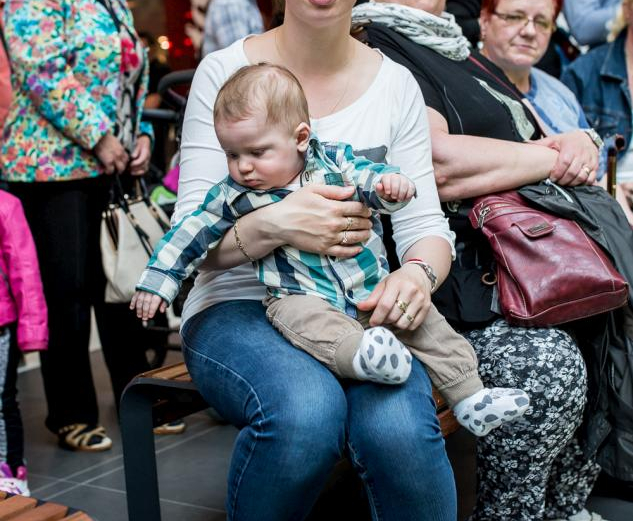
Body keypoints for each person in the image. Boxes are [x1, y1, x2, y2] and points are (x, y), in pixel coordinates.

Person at [134, 62, 530, 437]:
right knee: (307, 323)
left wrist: (390, 186)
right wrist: (158, 283)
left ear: (301, 137)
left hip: (368, 288)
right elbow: (188, 233)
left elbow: (371, 180)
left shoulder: (334, 161)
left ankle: (471, 397)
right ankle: (362, 356)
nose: (243, 168)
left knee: (427, 324)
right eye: (232, 155)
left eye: (257, 152)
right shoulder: (235, 195)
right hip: (300, 296)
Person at [174, 0, 459, 518]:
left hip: (355, 302)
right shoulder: (222, 72)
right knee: (305, 414)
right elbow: (192, 242)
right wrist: (277, 223)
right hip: (240, 304)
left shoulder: (395, 85)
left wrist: (417, 275)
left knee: (399, 433)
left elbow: (423, 226)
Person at [352, 1, 605, 520]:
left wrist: (577, 140)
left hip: (519, 256)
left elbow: (529, 136)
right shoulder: (377, 44)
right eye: (514, 17)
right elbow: (436, 164)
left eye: (540, 21)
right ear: (489, 19)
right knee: (546, 368)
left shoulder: (455, 48)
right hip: (448, 276)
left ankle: (563, 506)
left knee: (612, 321)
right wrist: (555, 157)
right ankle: (510, 513)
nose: (527, 31)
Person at [0, 0, 161, 451]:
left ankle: (139, 399)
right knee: (66, 291)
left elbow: (127, 72)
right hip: (51, 165)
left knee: (118, 283)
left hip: (110, 158)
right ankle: (70, 414)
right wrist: (101, 136)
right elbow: (42, 71)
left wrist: (140, 132)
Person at [562, 0, 633, 225]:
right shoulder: (583, 74)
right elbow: (565, 162)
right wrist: (610, 188)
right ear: (628, 10)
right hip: (604, 208)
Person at [0, 189, 48, 496]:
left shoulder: (6, 205)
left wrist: (32, 329)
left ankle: (10, 470)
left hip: (0, 325)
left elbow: (25, 270)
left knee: (1, 402)